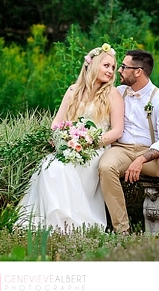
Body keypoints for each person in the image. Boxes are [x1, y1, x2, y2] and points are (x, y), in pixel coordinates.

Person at [17, 44, 125, 232]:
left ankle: (73, 224)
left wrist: (90, 142)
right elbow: (56, 124)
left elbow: (117, 131)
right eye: (106, 65)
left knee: (63, 168)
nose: (110, 71)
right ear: (92, 65)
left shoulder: (112, 94)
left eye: (113, 68)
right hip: (71, 148)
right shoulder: (73, 91)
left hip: (95, 150)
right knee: (50, 166)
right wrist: (63, 141)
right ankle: (53, 222)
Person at [97, 49, 159, 236]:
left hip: (150, 153)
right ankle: (121, 228)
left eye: (124, 67)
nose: (119, 71)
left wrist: (140, 160)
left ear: (138, 72)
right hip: (121, 150)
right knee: (106, 167)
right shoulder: (118, 92)